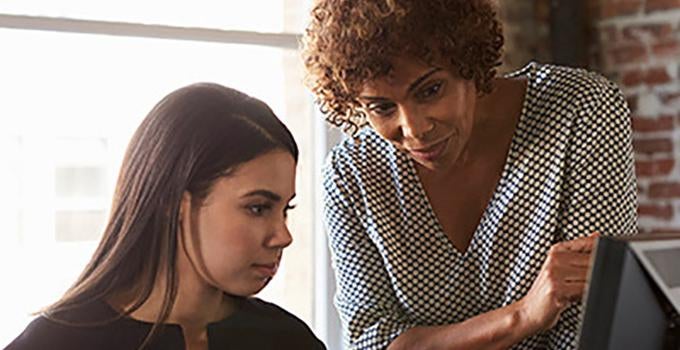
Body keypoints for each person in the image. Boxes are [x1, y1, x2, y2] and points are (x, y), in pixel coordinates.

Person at [302, 0, 637, 349]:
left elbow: (596, 324)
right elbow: (371, 342)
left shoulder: (580, 110)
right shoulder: (352, 175)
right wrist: (522, 316)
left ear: (469, 61)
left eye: (430, 91)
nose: (414, 129)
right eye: (381, 107)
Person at [5, 83, 326, 350]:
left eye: (286, 209)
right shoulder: (54, 344)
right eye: (258, 208)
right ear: (173, 202)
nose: (283, 236)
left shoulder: (290, 341)